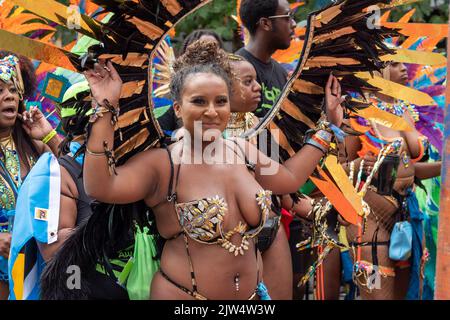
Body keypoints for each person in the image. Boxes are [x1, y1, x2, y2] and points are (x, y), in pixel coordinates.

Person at [82, 40, 344, 300]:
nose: (211, 111)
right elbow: (102, 186)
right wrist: (105, 107)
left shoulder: (242, 150)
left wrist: (327, 126)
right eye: (198, 101)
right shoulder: (163, 163)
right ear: (177, 108)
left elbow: (289, 178)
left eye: (220, 101)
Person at [343, 62, 431, 300]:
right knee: (375, 294)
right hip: (370, 223)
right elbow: (336, 171)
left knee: (412, 293)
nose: (403, 67)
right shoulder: (358, 114)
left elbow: (410, 168)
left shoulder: (405, 111)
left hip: (408, 216)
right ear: (376, 69)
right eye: (393, 63)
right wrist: (357, 166)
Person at [0, 52, 61, 299]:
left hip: (38, 264)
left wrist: (48, 135)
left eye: (14, 89)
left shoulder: (32, 142)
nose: (9, 95)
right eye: (0, 89)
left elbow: (78, 173)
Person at [236, 0, 296, 118]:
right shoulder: (235, 69)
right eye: (288, 16)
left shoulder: (281, 73)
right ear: (265, 24)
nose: (293, 23)